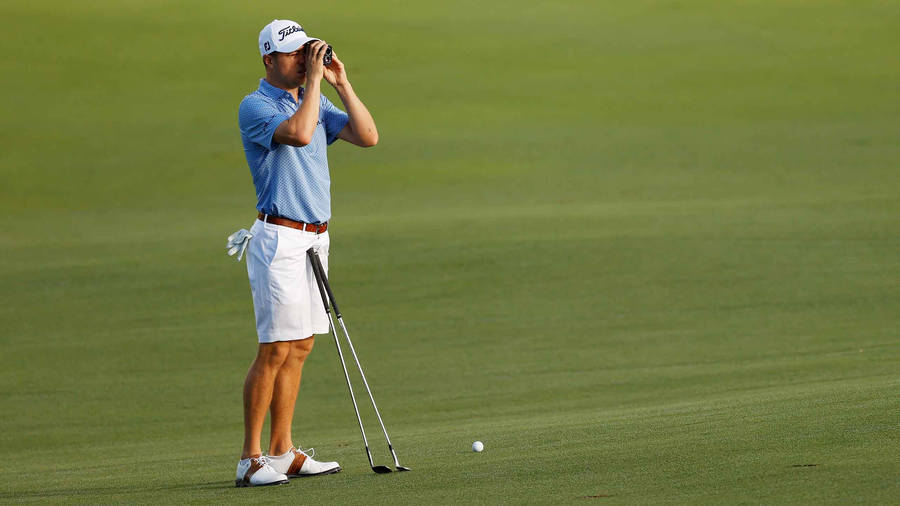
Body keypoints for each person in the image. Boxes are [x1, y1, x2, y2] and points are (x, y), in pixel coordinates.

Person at [234, 18, 378, 487]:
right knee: (274, 348)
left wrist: (341, 80)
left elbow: (367, 135)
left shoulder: (313, 98)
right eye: (294, 54)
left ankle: (282, 451)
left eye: (305, 52)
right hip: (279, 238)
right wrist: (314, 84)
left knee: (300, 347)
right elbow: (296, 134)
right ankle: (250, 458)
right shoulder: (255, 106)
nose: (302, 60)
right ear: (269, 59)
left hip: (316, 238)